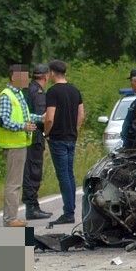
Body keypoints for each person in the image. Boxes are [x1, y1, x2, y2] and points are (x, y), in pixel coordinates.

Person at [0, 64, 42, 227]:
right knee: (13, 183)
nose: (27, 79)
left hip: (19, 143)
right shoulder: (7, 95)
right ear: (14, 77)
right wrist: (23, 126)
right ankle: (10, 220)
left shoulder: (18, 94)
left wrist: (39, 118)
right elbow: (3, 120)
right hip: (13, 144)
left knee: (16, 182)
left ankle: (11, 217)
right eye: (24, 76)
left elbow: (25, 115)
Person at [43, 59, 83, 225]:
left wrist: (46, 132)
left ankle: (68, 212)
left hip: (57, 138)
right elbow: (81, 114)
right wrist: (75, 130)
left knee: (63, 175)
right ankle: (71, 208)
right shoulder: (74, 90)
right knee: (70, 173)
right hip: (71, 137)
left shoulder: (52, 92)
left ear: (52, 73)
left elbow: (50, 117)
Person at [22, 64, 53, 220]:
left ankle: (31, 205)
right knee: (34, 171)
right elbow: (42, 116)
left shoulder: (27, 89)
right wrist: (47, 132)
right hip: (34, 137)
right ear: (46, 76)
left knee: (28, 170)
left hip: (26, 136)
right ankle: (32, 207)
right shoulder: (38, 92)